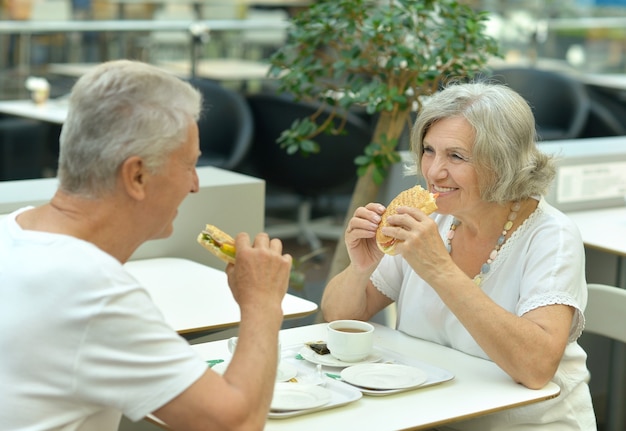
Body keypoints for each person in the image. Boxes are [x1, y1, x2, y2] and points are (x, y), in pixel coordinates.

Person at [0, 60, 292, 431]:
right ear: (136, 175)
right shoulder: (94, 293)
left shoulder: (12, 233)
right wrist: (263, 302)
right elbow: (237, 423)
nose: (194, 186)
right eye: (189, 165)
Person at [321, 82, 596, 430]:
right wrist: (360, 268)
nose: (434, 172)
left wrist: (440, 269)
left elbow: (536, 367)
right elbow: (340, 316)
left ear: (502, 161)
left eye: (456, 156)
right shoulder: (431, 218)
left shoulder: (551, 236)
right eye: (428, 150)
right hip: (431, 414)